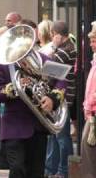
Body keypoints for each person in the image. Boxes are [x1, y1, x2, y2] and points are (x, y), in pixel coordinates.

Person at [0, 26, 67, 178]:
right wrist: (18, 87)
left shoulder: (43, 59)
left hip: (38, 126)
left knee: (36, 172)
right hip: (14, 126)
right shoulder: (1, 64)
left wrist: (52, 99)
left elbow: (61, 80)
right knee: (17, 168)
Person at [44, 21, 76, 178]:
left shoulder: (63, 52)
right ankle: (54, 169)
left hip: (61, 98)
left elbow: (48, 72)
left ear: (57, 35)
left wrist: (52, 52)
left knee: (61, 137)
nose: (51, 38)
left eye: (52, 35)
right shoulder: (69, 48)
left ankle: (62, 170)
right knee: (56, 136)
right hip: (64, 97)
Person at [82, 20, 96, 178]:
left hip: (94, 113)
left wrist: (89, 103)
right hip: (91, 113)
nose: (91, 44)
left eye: (93, 41)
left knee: (89, 154)